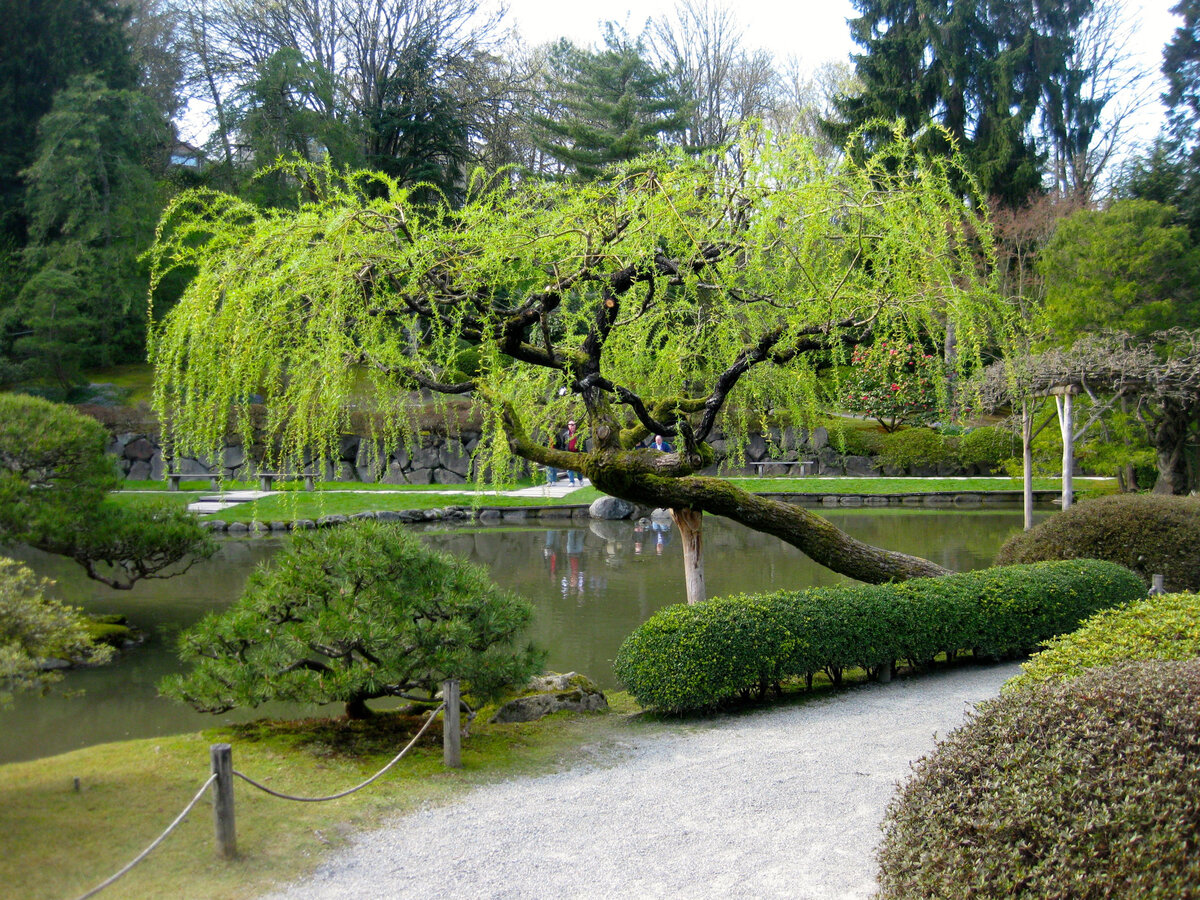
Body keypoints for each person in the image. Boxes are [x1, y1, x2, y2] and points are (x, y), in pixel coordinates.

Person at [563, 419, 582, 486]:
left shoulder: (579, 434)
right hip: (569, 453)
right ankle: (572, 481)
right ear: (568, 426)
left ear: (575, 426)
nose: (571, 426)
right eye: (570, 425)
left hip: (577, 453)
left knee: (578, 468)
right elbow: (563, 444)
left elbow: (583, 444)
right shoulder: (565, 435)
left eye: (573, 425)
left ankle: (580, 479)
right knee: (569, 468)